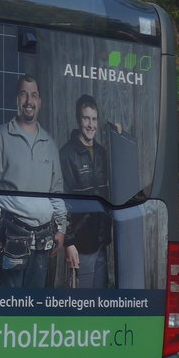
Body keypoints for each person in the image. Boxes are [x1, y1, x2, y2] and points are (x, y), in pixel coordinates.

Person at [0, 75, 69, 287]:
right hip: (11, 236)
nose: (29, 101)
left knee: (34, 308)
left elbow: (57, 191)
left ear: (40, 102)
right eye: (23, 94)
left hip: (44, 240)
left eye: (34, 95)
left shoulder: (49, 143)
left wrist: (62, 228)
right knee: (9, 307)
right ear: (16, 100)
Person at [60, 94, 114, 287]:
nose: (91, 125)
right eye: (86, 118)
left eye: (94, 119)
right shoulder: (67, 154)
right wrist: (68, 242)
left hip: (101, 240)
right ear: (78, 119)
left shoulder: (102, 153)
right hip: (80, 243)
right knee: (82, 304)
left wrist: (119, 137)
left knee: (100, 300)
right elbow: (62, 202)